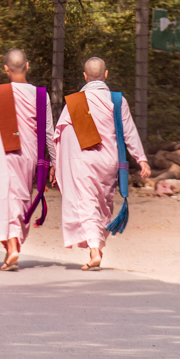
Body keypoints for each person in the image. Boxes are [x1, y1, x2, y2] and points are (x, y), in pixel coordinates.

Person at [54, 56, 150, 271]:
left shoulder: (76, 101)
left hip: (83, 161)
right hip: (108, 162)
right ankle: (96, 246)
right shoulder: (117, 100)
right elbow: (129, 132)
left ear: (85, 76)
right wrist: (141, 158)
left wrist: (59, 164)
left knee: (87, 203)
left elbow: (61, 135)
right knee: (103, 204)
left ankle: (95, 249)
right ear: (105, 75)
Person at [0, 49, 55, 271]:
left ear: (6, 69)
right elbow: (48, 133)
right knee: (19, 199)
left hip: (1, 154)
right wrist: (53, 162)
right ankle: (13, 246)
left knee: (2, 199)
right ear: (27, 66)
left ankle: (11, 245)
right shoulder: (40, 94)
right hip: (27, 156)